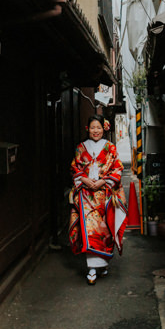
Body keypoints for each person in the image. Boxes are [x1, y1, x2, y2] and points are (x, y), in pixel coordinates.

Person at [68, 114, 127, 284]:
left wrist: (102, 181)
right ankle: (92, 268)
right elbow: (74, 167)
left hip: (104, 196)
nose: (95, 131)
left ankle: (103, 264)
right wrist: (85, 180)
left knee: (104, 230)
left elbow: (117, 169)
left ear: (104, 128)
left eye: (98, 127)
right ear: (88, 129)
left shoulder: (110, 148)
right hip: (86, 196)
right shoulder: (81, 147)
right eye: (92, 127)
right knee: (89, 231)